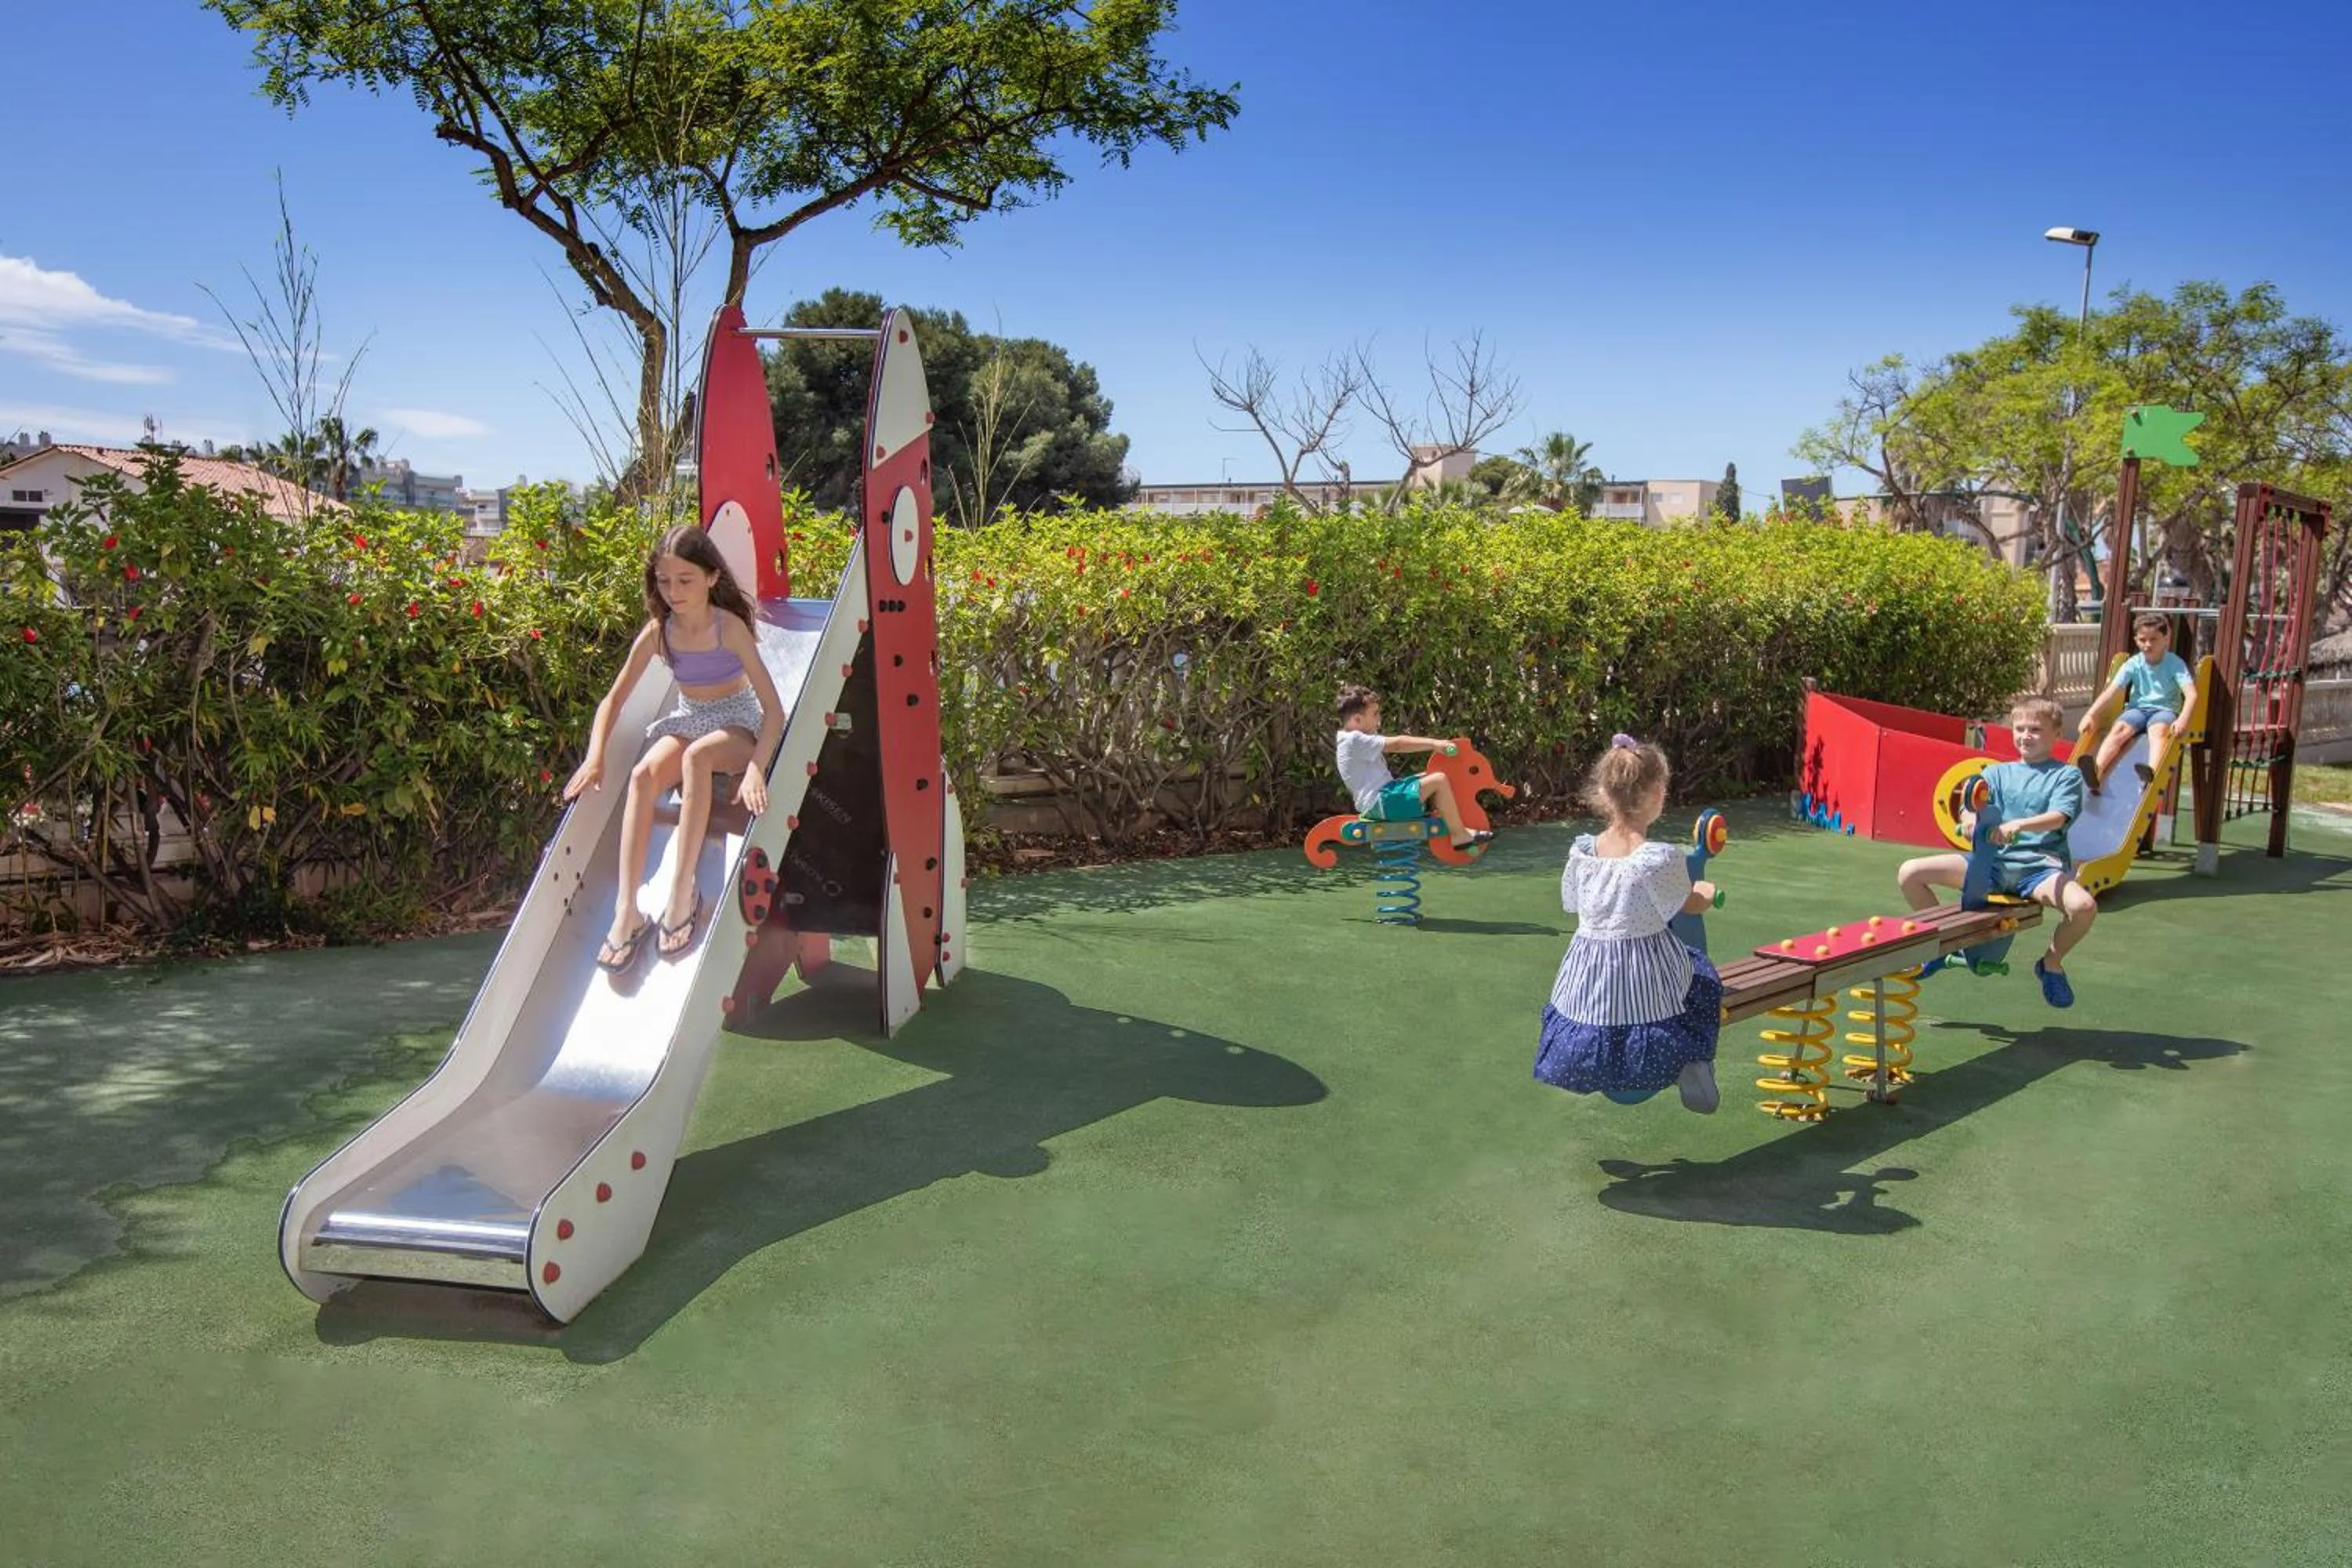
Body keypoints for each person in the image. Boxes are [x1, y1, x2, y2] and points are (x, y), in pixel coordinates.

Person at [564, 524, 787, 969]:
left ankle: (682, 891)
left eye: (685, 580)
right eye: (664, 581)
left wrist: (758, 766)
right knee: (642, 775)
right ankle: (627, 910)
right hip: (691, 718)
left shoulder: (730, 629)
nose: (673, 591)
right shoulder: (658, 633)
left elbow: (774, 711)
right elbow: (613, 699)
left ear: (711, 578)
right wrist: (595, 757)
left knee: (696, 756)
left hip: (737, 722)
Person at [1534, 735, 1724, 1112]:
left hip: (1588, 981)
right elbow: (1687, 905)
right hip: (1647, 970)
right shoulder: (1658, 858)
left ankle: (1588, 1064)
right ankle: (1692, 1062)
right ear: (1658, 794)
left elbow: (1573, 903)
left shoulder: (1582, 853)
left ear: (1604, 793)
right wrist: (1705, 890)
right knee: (1701, 980)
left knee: (1603, 1015)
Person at [1898, 696, 2097, 1007]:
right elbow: (1971, 808)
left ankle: (2051, 964)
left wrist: (2019, 825)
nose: (2025, 736)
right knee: (1910, 873)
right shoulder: (1996, 773)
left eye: (2035, 729)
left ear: (2058, 734)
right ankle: (1938, 948)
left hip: (2039, 869)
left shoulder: (2066, 775)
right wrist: (1967, 822)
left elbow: (2059, 817)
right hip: (1990, 865)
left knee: (2084, 906)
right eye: (2020, 729)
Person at [1333, 684, 1495, 851]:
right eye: (1375, 714)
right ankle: (1459, 835)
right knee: (1439, 780)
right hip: (1381, 803)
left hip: (1384, 798)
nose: (1379, 720)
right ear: (1357, 719)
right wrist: (1434, 744)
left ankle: (1450, 820)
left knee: (1433, 775)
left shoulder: (1352, 740)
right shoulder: (1353, 740)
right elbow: (1397, 745)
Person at [2078, 612, 2197, 794]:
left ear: (2166, 639)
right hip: (2138, 709)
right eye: (2143, 640)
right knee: (2119, 729)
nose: (2148, 644)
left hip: (2164, 710)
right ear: (2136, 640)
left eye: (2154, 639)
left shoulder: (2174, 663)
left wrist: (2183, 720)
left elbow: (2191, 695)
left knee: (2158, 732)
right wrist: (2090, 715)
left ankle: (2151, 774)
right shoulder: (2133, 663)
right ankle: (2097, 771)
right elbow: (2110, 692)